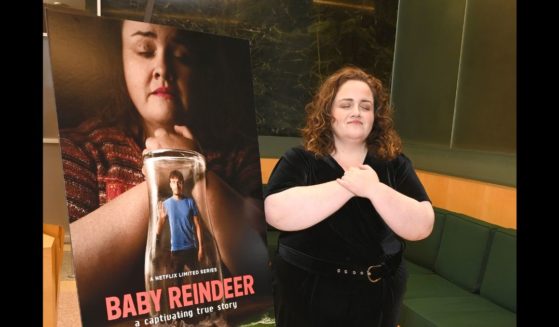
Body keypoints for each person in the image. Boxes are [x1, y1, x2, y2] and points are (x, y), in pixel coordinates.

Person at [58, 18, 270, 323]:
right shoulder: (82, 150)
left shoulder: (240, 156)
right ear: (120, 59)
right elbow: (72, 278)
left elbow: (263, 273)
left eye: (182, 55)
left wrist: (197, 171)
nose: (163, 69)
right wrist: (169, 169)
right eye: (144, 50)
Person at [264, 66, 435, 327]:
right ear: (329, 112)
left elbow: (422, 225)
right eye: (346, 104)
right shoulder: (299, 159)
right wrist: (348, 185)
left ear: (375, 116)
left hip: (376, 296)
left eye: (366, 106)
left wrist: (374, 189)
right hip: (305, 292)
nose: (357, 112)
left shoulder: (394, 164)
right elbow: (275, 213)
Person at [157, 170, 203, 272]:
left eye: (179, 182)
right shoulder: (166, 204)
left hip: (191, 249)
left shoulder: (190, 202)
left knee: (198, 280)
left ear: (182, 184)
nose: (176, 185)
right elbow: (159, 225)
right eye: (173, 182)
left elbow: (198, 225)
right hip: (176, 251)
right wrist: (156, 246)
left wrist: (201, 249)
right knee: (177, 284)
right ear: (170, 184)